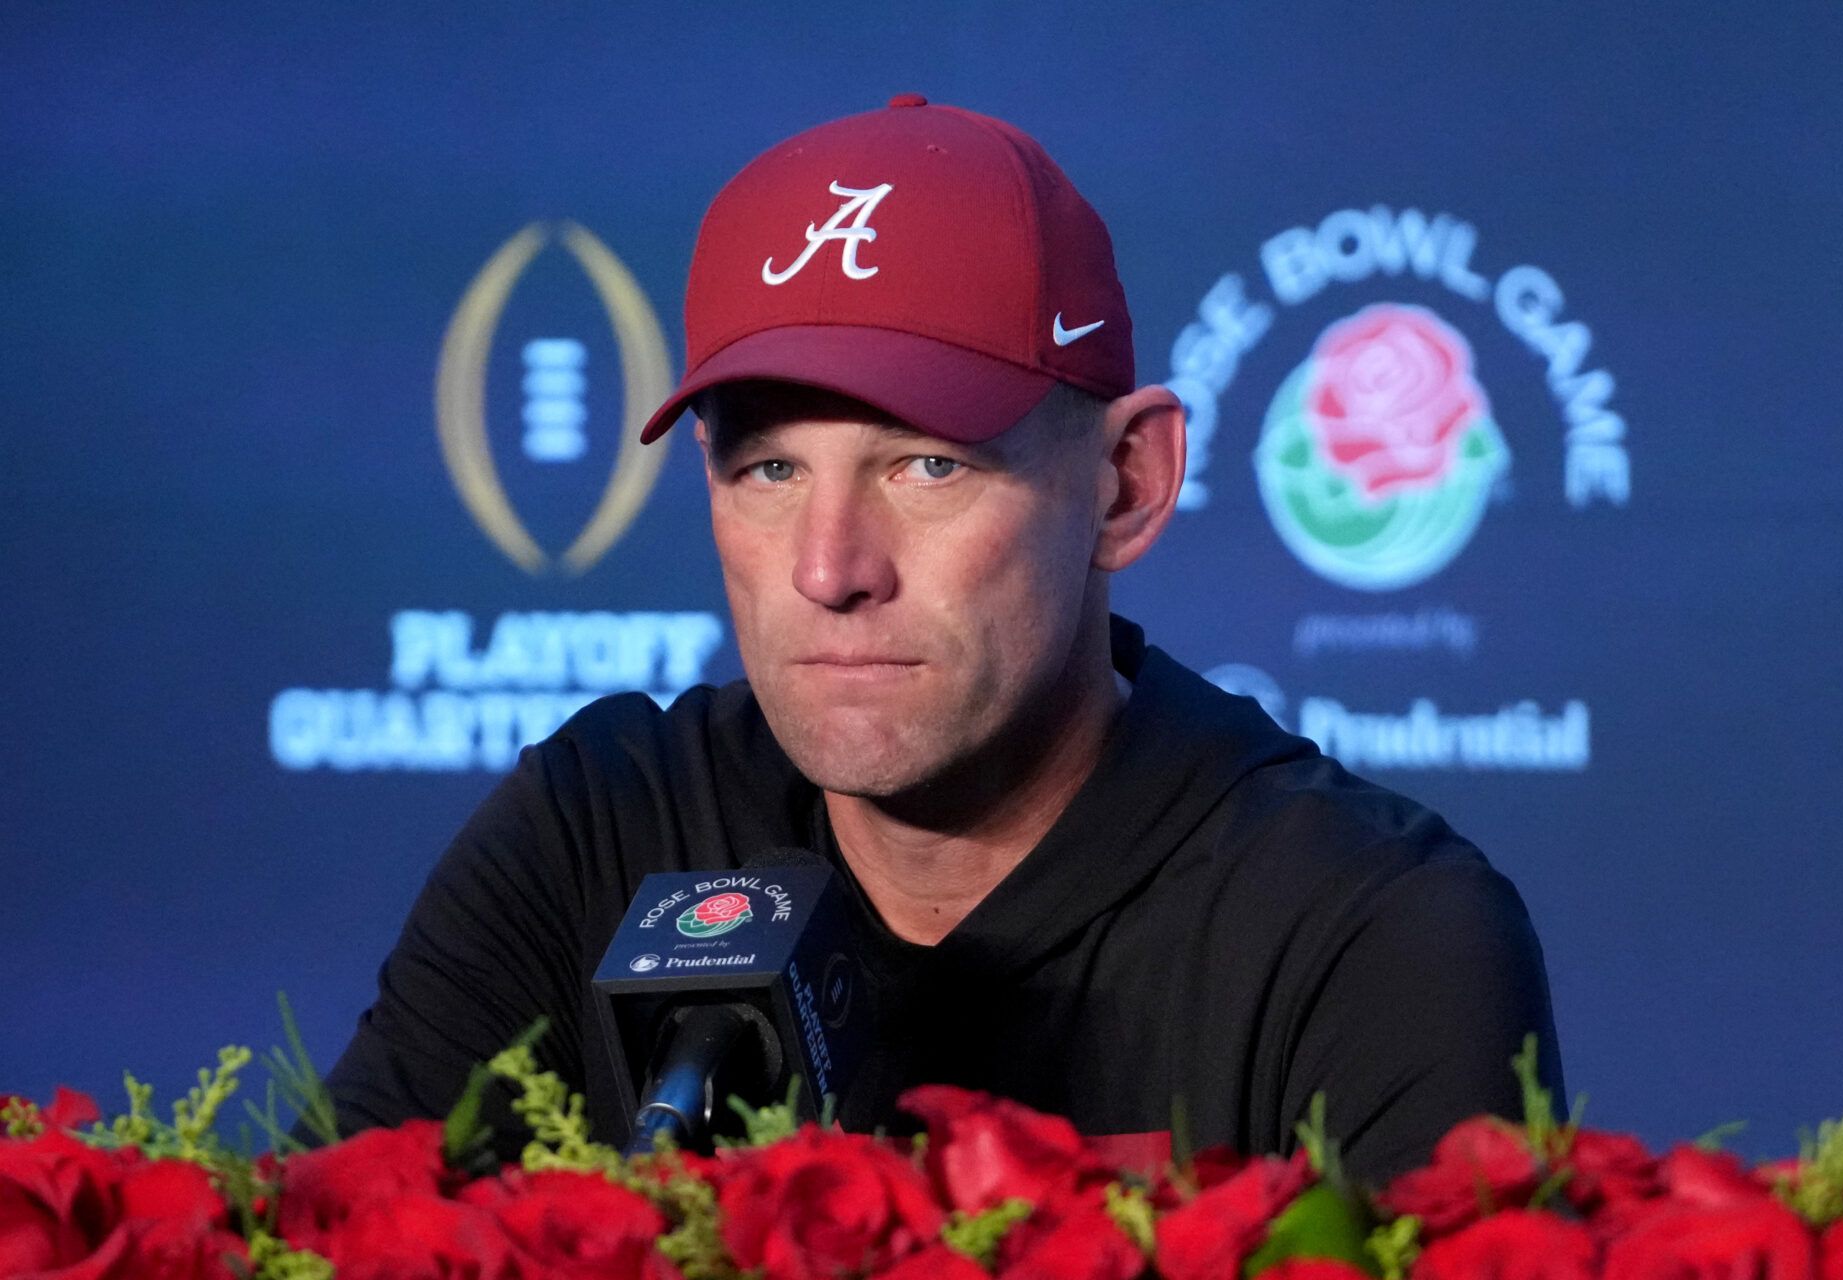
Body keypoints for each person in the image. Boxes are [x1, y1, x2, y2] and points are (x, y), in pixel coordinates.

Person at [322, 95, 1562, 1185]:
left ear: (1127, 483)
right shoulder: (596, 831)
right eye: (766, 469)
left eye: (926, 463)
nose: (829, 567)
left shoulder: (1365, 928)